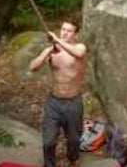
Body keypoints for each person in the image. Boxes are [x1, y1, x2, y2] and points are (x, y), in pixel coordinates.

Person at [28, 20, 88, 167]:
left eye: (69, 31)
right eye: (63, 29)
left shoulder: (79, 47)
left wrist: (58, 41)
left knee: (74, 139)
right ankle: (49, 165)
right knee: (48, 141)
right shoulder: (52, 50)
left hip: (73, 101)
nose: (65, 33)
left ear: (76, 34)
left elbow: (79, 54)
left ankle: (72, 160)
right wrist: (48, 52)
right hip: (53, 102)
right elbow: (32, 67)